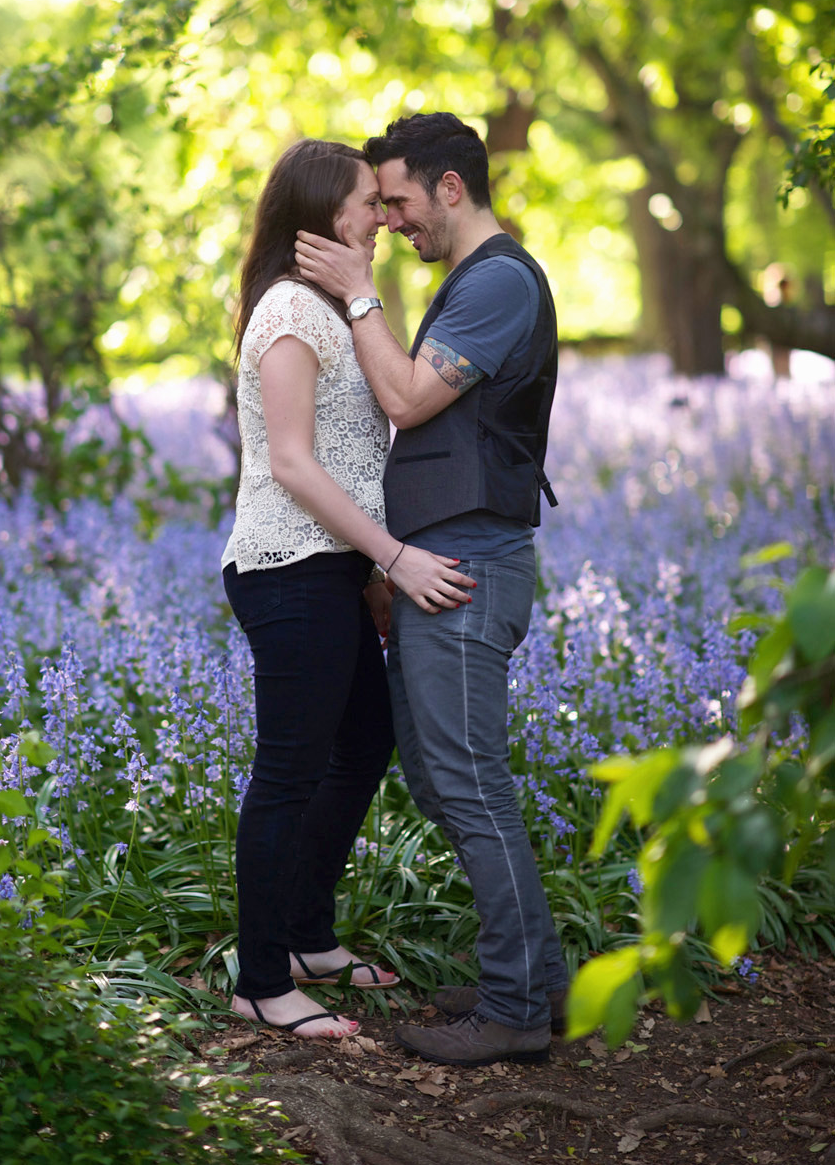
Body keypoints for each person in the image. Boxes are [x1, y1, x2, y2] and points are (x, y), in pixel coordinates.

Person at [295, 111, 567, 1066]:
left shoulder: (496, 282)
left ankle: (515, 1007)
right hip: (435, 567)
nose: (394, 221)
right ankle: (534, 976)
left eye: (401, 201)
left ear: (451, 188)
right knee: (448, 777)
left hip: (465, 570)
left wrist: (361, 298)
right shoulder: (471, 282)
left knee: (467, 780)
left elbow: (408, 400)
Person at [223, 137, 476, 1040]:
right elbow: (291, 462)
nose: (383, 215)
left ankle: (306, 937)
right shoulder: (290, 311)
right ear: (324, 212)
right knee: (288, 771)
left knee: (362, 740)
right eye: (370, 201)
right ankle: (261, 979)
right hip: (288, 567)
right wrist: (396, 558)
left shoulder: (334, 306)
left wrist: (368, 564)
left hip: (331, 567)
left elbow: (360, 450)